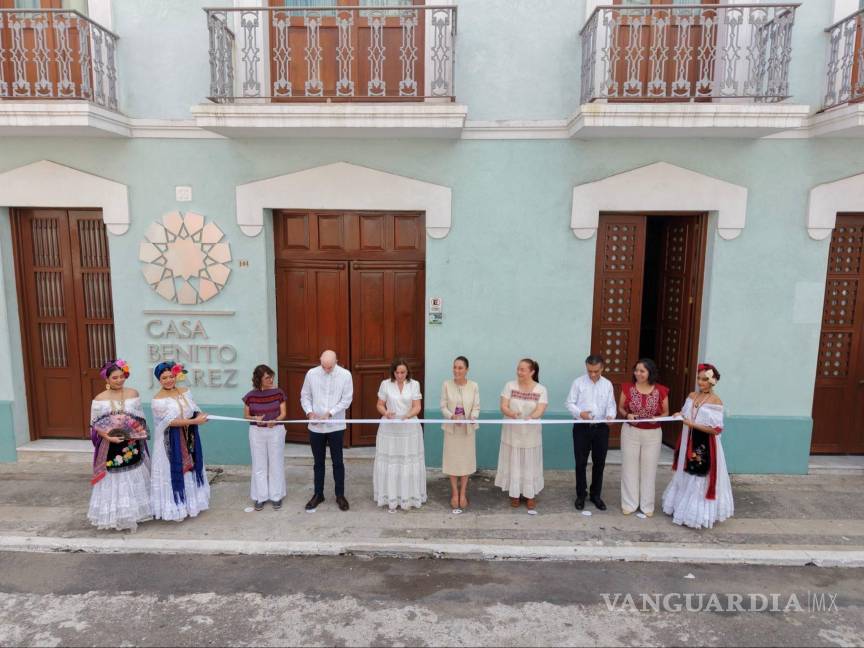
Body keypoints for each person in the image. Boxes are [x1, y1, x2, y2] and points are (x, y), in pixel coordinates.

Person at [662, 363, 733, 529]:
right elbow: (686, 413)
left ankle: (696, 515)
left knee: (698, 473)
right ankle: (681, 507)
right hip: (689, 439)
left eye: (704, 379)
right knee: (686, 471)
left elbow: (715, 429)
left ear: (712, 381)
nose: (700, 382)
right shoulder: (692, 395)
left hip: (704, 443)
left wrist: (692, 424)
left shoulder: (716, 401)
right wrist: (679, 414)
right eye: (699, 378)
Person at [87, 359, 152, 531]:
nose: (119, 380)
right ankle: (118, 516)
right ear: (107, 379)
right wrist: (108, 436)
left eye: (122, 376)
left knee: (134, 475)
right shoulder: (99, 399)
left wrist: (136, 432)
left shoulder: (133, 393)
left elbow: (140, 419)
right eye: (115, 378)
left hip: (132, 442)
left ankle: (135, 513)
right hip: (110, 445)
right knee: (115, 478)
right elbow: (94, 424)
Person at [150, 361, 211, 522]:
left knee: (191, 467)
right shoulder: (158, 400)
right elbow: (169, 422)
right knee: (175, 469)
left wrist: (200, 416)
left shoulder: (185, 391)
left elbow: (194, 409)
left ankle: (192, 504)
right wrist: (194, 422)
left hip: (188, 436)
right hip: (170, 441)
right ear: (159, 380)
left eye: (171, 376)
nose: (169, 380)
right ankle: (177, 507)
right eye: (164, 378)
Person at [300, 350, 353, 512]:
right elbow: (305, 396)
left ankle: (340, 495)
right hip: (316, 426)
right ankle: (318, 494)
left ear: (336, 361)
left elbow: (347, 400)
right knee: (318, 462)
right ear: (320, 361)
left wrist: (330, 413)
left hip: (336, 425)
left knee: (338, 462)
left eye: (330, 367)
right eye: (324, 366)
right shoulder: (312, 374)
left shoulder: (345, 375)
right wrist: (309, 412)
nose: (327, 370)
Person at [373, 359, 427, 512]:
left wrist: (407, 415)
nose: (400, 375)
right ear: (393, 372)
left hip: (409, 428)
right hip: (389, 428)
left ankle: (409, 496)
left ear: (407, 372)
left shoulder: (414, 384)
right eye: (397, 372)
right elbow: (379, 404)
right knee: (391, 461)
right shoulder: (385, 384)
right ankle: (389, 497)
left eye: (403, 372)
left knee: (407, 461)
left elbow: (417, 407)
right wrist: (386, 413)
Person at [618, 358, 669, 517]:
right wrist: (627, 415)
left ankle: (647, 506)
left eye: (642, 371)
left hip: (653, 434)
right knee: (629, 468)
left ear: (650, 373)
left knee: (649, 469)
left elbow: (666, 412)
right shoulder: (627, 388)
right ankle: (629, 504)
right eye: (636, 370)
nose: (638, 373)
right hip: (630, 432)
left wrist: (658, 418)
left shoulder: (661, 390)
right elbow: (621, 408)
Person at [565, 353, 616, 511]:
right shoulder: (578, 383)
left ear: (602, 368)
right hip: (582, 427)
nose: (592, 374)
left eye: (596, 371)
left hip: (601, 428)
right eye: (589, 371)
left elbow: (611, 404)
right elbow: (569, 403)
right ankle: (581, 495)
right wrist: (580, 413)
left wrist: (611, 416)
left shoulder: (607, 384)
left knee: (599, 463)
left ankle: (596, 495)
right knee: (580, 462)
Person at [495, 358, 548, 511]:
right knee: (513, 462)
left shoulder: (541, 389)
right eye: (518, 369)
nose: (519, 372)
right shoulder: (509, 386)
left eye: (523, 370)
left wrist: (532, 417)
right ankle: (515, 493)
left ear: (532, 372)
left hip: (531, 433)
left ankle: (530, 494)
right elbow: (503, 406)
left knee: (530, 463)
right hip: (512, 433)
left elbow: (540, 409)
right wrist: (511, 413)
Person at [242, 364, 287, 511]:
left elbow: (283, 413)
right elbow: (246, 415)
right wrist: (255, 418)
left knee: (276, 463)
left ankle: (276, 496)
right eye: (267, 378)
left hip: (276, 431)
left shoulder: (279, 393)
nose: (271, 380)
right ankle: (260, 497)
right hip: (256, 432)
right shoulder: (250, 396)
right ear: (259, 379)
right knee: (259, 464)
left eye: (271, 376)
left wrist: (276, 420)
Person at [440, 356, 480, 512]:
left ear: (466, 370)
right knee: (452, 461)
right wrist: (452, 416)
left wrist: (473, 417)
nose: (456, 370)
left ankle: (463, 493)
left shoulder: (474, 386)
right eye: (455, 367)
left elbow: (476, 407)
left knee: (465, 461)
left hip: (467, 430)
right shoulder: (446, 384)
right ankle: (454, 493)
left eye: (460, 368)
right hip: (452, 429)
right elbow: (443, 406)